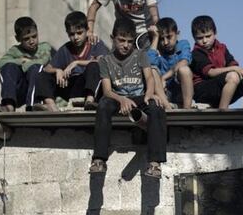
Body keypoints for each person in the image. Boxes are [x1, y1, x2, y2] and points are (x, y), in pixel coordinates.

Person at [90, 18, 169, 178]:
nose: (126, 45)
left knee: (156, 107)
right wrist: (122, 100)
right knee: (103, 105)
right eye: (121, 40)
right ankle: (99, 159)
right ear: (113, 38)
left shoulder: (140, 55)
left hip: (139, 97)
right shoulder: (105, 60)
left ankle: (154, 163)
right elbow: (107, 91)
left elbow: (149, 78)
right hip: (117, 98)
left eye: (130, 41)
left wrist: (149, 94)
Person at [35, 11, 108, 111]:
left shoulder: (95, 43)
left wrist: (76, 63)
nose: (76, 37)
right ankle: (51, 106)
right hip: (71, 86)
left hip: (88, 86)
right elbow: (47, 68)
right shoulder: (66, 49)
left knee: (94, 66)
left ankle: (90, 102)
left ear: (87, 30)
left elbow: (103, 62)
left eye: (79, 33)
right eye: (72, 34)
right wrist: (57, 70)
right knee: (42, 75)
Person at [190, 15, 243, 110]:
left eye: (208, 36)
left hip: (221, 87)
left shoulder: (222, 48)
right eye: (200, 38)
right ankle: (223, 112)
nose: (204, 41)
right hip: (203, 90)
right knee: (233, 76)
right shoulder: (196, 53)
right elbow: (211, 72)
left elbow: (233, 65)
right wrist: (234, 69)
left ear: (215, 33)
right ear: (194, 38)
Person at [0, 16, 54, 112]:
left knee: (36, 68)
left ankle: (33, 105)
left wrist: (27, 64)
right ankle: (9, 105)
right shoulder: (15, 51)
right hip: (21, 90)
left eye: (34, 36)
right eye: (26, 39)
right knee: (8, 67)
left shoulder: (45, 47)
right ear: (18, 39)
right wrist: (20, 61)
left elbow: (43, 61)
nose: (31, 41)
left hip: (39, 91)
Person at [147, 17, 194, 109]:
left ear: (177, 34)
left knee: (184, 70)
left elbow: (184, 62)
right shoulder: (157, 51)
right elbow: (150, 63)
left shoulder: (182, 44)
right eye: (162, 38)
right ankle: (168, 109)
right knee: (152, 70)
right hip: (163, 94)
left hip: (181, 91)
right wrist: (155, 38)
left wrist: (164, 78)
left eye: (169, 37)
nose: (165, 42)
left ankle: (187, 110)